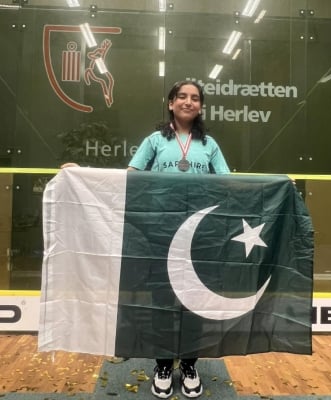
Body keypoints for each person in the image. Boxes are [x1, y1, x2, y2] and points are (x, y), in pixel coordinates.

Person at [62, 80, 230, 399]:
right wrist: (81, 174)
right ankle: (164, 365)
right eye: (182, 96)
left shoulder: (209, 144)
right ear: (170, 103)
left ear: (201, 107)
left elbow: (227, 184)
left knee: (194, 303)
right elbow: (129, 177)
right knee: (164, 303)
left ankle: (190, 365)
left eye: (195, 98)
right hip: (161, 236)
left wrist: (278, 183)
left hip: (198, 238)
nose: (188, 102)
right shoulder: (155, 141)